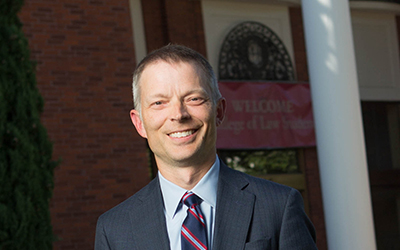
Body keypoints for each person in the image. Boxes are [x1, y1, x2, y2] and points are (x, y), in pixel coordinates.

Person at [95, 44, 317, 250]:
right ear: (139, 123)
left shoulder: (279, 207)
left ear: (219, 111)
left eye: (194, 99)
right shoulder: (114, 230)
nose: (178, 114)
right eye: (159, 103)